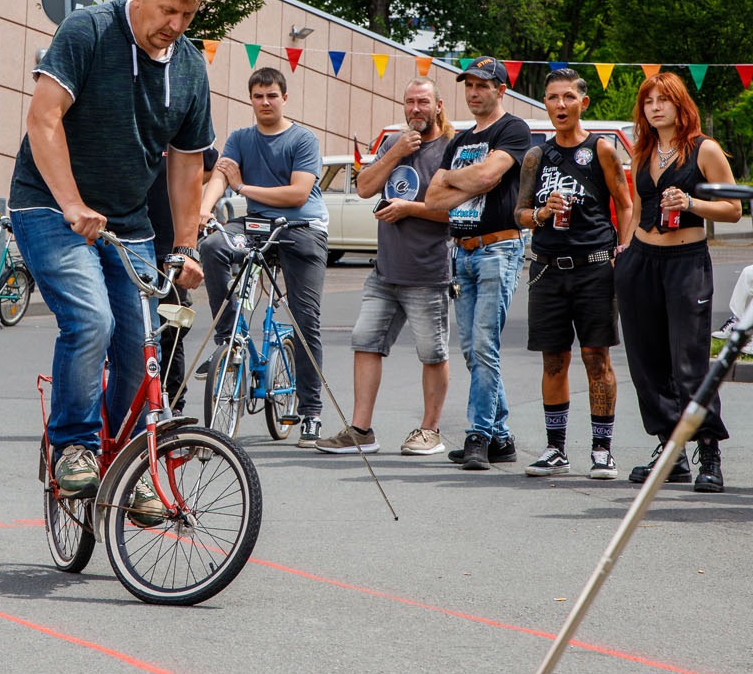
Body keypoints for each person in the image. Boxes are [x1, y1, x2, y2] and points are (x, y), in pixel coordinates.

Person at [8, 0, 213, 523]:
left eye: (188, 16)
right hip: (49, 208)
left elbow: (184, 164)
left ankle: (127, 463)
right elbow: (43, 118)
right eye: (167, 10)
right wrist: (71, 203)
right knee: (92, 320)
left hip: (129, 223)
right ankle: (72, 444)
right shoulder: (87, 31)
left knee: (139, 348)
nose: (174, 26)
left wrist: (186, 245)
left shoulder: (191, 66)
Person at [616, 72, 741, 492]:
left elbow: (733, 209)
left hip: (686, 261)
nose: (654, 107)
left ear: (679, 104)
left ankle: (708, 451)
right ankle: (671, 451)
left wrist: (690, 202)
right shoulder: (642, 150)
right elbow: (635, 206)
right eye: (648, 100)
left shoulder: (703, 149)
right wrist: (625, 250)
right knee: (646, 365)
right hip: (640, 261)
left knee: (688, 363)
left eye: (663, 100)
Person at [316, 78, 453, 455]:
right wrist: (394, 155)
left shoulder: (451, 149)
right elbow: (364, 187)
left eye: (423, 102)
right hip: (385, 272)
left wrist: (410, 209)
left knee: (433, 353)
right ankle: (361, 431)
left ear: (438, 106)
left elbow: (458, 212)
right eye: (409, 102)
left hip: (427, 273)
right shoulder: (395, 143)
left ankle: (430, 430)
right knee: (365, 342)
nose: (415, 109)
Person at [198, 65, 329, 447]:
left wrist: (242, 186)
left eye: (272, 95)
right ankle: (229, 341)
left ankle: (311, 412)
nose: (265, 102)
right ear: (250, 99)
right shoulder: (240, 137)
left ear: (284, 98)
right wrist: (205, 211)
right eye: (258, 96)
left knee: (306, 320)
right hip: (255, 224)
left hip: (301, 228)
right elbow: (220, 176)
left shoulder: (303, 140)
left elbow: (297, 194)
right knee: (213, 246)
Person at [513, 69, 632, 479]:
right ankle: (555, 449)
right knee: (553, 361)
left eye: (567, 97)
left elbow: (627, 203)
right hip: (547, 270)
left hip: (594, 267)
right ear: (544, 103)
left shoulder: (601, 149)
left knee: (596, 357)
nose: (559, 105)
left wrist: (624, 250)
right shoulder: (535, 155)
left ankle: (602, 450)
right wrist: (542, 213)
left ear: (583, 103)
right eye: (551, 98)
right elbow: (520, 213)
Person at [424, 56, 531, 471]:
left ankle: (479, 436)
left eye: (483, 86)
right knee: (471, 350)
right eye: (468, 85)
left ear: (500, 90)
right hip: (462, 252)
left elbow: (488, 178)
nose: (473, 92)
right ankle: (502, 439)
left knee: (484, 345)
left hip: (498, 249)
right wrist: (466, 178)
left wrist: (456, 179)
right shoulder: (459, 141)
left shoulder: (513, 129)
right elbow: (433, 200)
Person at [146, 145, 218, 411]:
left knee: (171, 329)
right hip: (132, 241)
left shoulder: (180, 131)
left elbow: (207, 165)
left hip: (171, 248)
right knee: (129, 331)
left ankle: (172, 402)